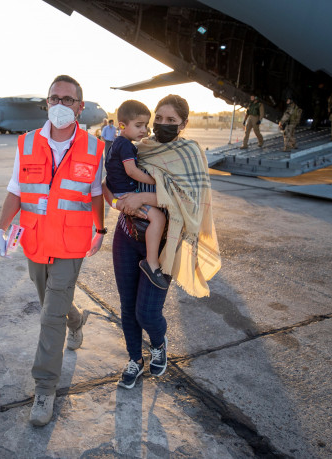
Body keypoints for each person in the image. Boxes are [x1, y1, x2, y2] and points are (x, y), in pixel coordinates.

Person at [0, 75, 106, 426]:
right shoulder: (26, 143)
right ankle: (76, 319)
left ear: (80, 106)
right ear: (47, 102)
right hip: (36, 241)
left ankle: (44, 389)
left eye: (67, 100)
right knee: (50, 304)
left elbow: (96, 193)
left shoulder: (94, 147)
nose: (60, 105)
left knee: (48, 317)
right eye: (54, 98)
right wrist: (1, 226)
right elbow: (16, 189)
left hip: (72, 243)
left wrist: (100, 229)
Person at [104, 94, 221, 389]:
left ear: (184, 123)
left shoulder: (189, 153)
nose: (163, 125)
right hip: (127, 235)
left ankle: (158, 343)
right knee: (128, 307)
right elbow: (110, 182)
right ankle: (134, 359)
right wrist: (119, 205)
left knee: (147, 312)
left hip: (165, 244)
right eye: (160, 118)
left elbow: (189, 199)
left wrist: (143, 197)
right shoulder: (140, 147)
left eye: (172, 120)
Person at [105, 100, 167, 289]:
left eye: (146, 125)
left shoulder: (119, 143)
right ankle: (151, 262)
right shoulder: (126, 145)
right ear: (122, 125)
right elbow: (131, 171)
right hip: (125, 192)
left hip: (119, 191)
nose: (144, 130)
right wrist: (154, 180)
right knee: (158, 218)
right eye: (138, 125)